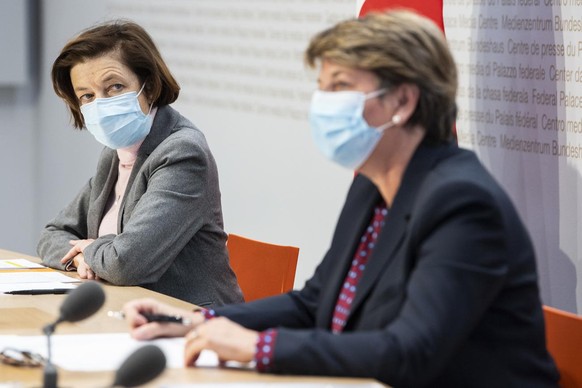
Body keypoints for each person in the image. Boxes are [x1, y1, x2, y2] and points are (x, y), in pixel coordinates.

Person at [122, 10, 559, 387]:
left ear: (403, 101)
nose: (322, 103)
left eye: (340, 86)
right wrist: (201, 323)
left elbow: (412, 352)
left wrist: (261, 348)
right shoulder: (374, 181)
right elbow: (317, 303)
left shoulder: (462, 202)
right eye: (322, 86)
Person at [37, 20, 243, 307]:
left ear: (149, 86)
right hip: (124, 312)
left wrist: (93, 249)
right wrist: (81, 259)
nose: (101, 104)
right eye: (87, 95)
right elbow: (52, 234)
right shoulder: (117, 151)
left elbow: (127, 263)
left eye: (115, 87)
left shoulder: (182, 153)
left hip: (189, 322)